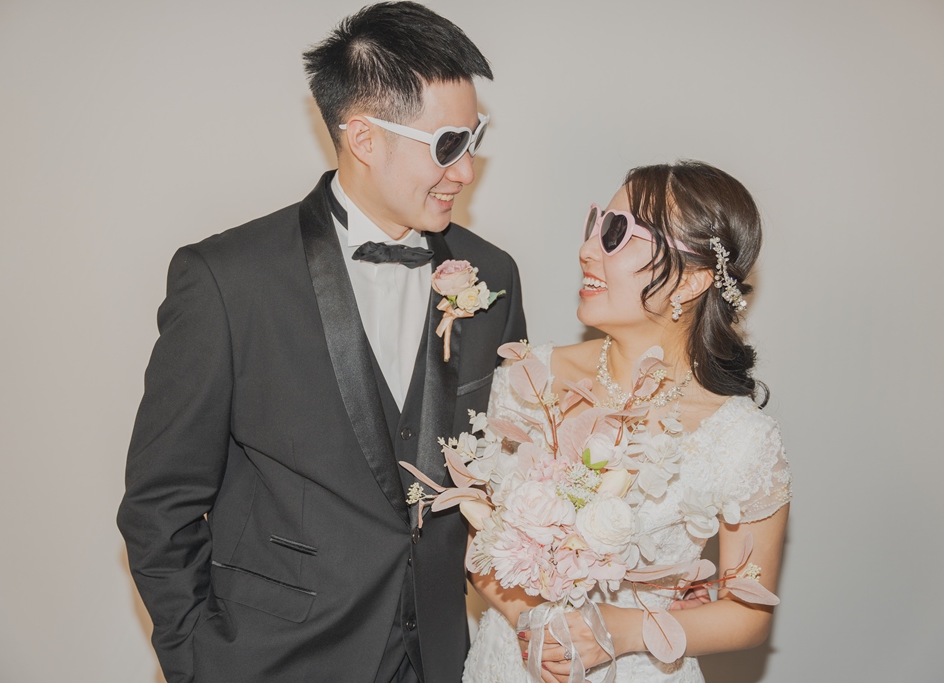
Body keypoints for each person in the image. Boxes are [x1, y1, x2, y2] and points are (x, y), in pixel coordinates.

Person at [117, 3, 526, 682]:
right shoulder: (228, 279)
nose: (466, 170)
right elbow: (160, 503)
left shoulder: (493, 275)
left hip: (437, 659)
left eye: (473, 138)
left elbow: (506, 480)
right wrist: (199, 664)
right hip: (275, 661)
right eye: (448, 144)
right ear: (363, 137)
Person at [463, 161, 791, 683]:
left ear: (692, 280)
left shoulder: (740, 438)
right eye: (595, 225)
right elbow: (476, 537)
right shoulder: (529, 379)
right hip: (509, 663)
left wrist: (623, 629)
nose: (586, 250)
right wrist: (532, 625)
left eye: (616, 233)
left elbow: (748, 614)